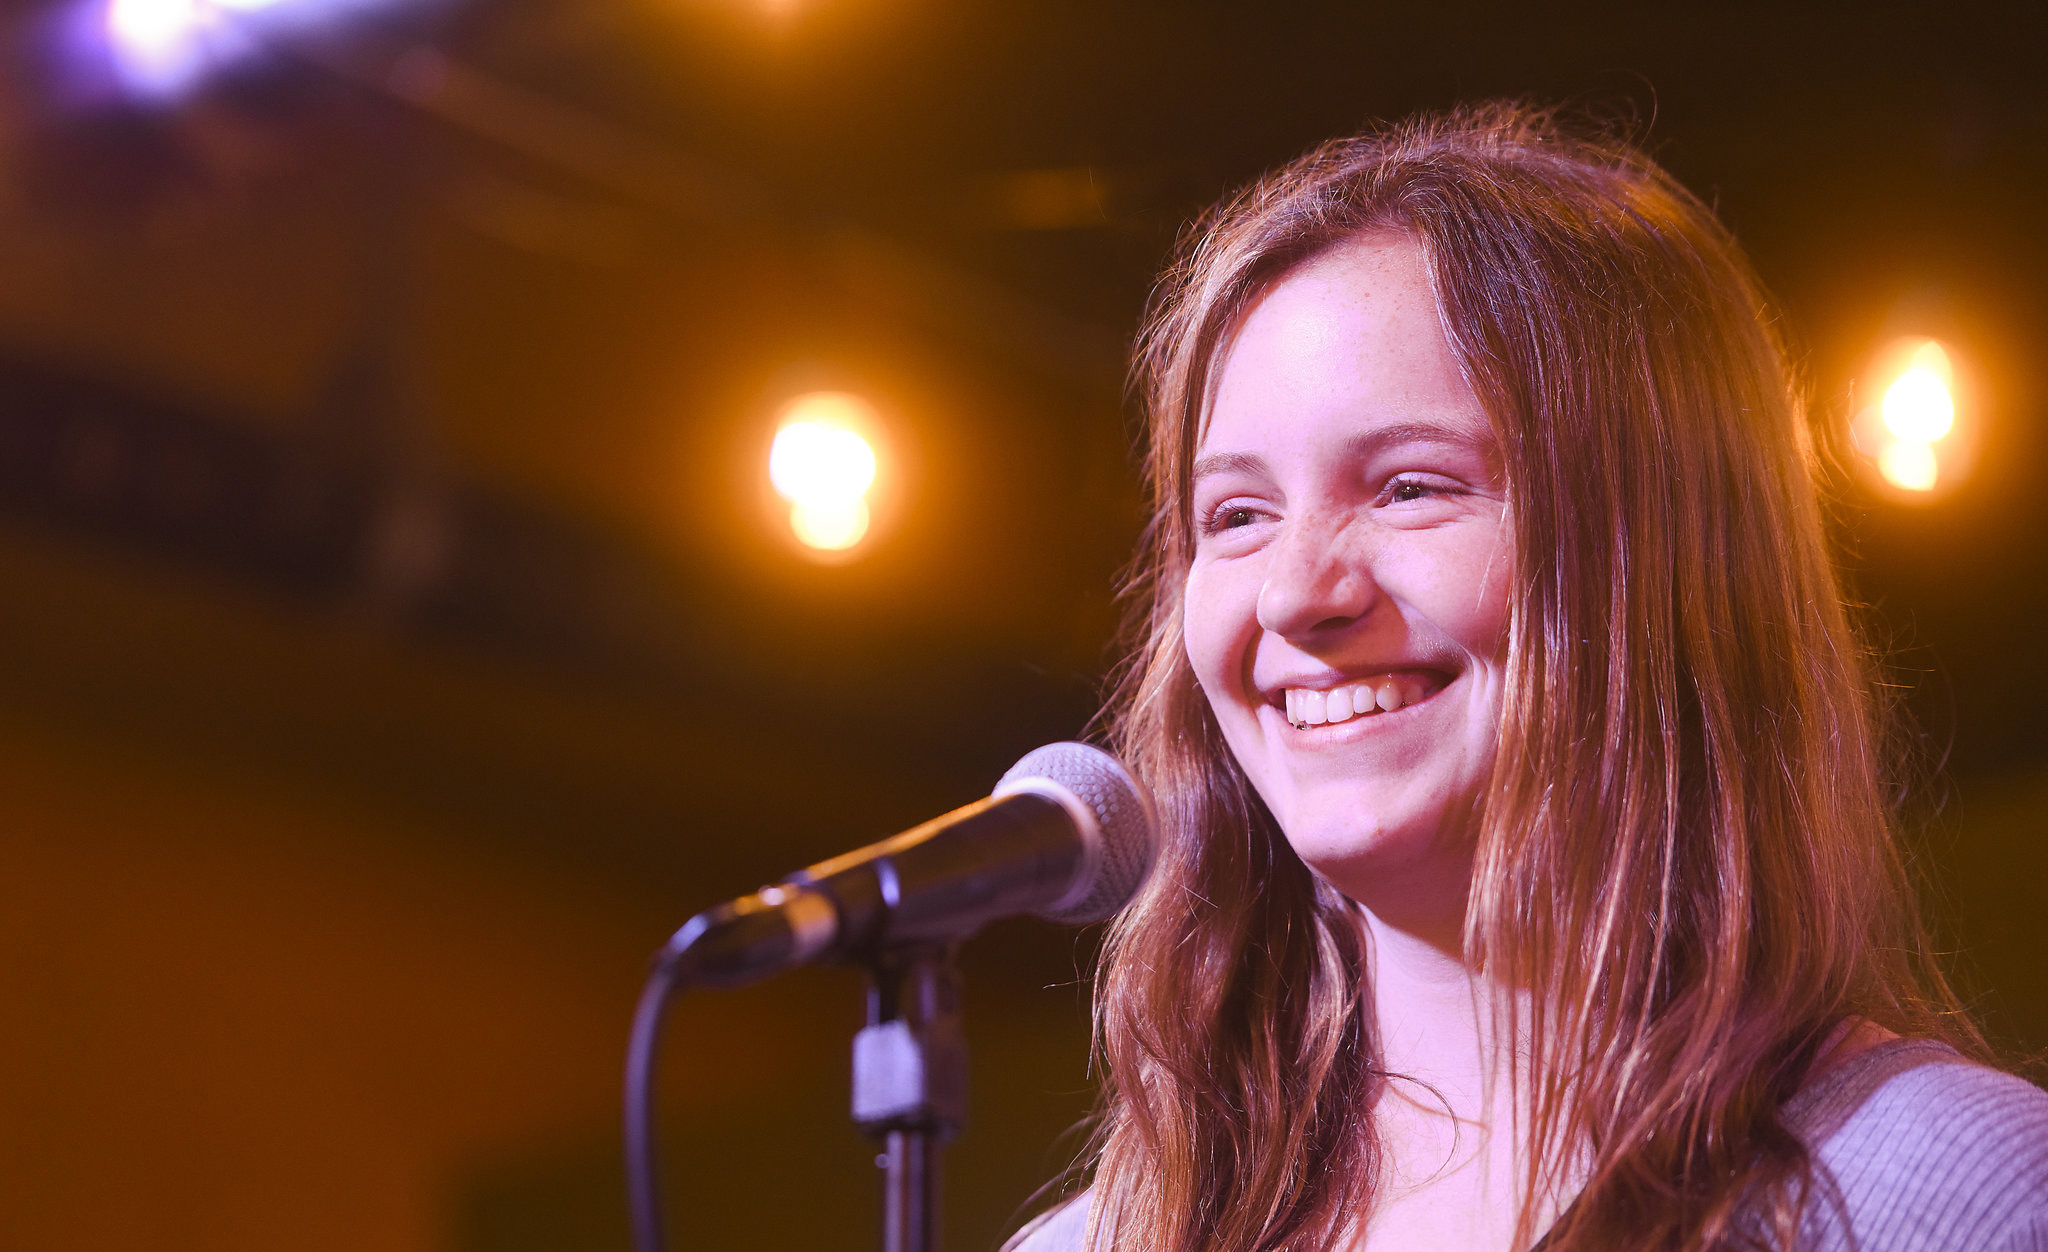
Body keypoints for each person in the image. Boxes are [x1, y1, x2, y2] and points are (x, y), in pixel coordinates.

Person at [1009, 104, 2048, 1252]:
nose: (1294, 592)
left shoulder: (1943, 1199)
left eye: (1409, 485)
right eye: (1236, 515)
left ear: (1656, 555)